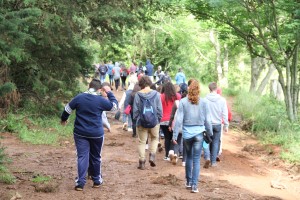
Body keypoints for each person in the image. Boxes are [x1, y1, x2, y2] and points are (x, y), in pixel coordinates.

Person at [60, 79, 118, 191]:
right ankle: (96, 180)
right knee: (96, 157)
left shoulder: (79, 97)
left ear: (89, 86)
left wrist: (63, 119)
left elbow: (67, 109)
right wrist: (109, 93)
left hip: (80, 132)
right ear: (100, 89)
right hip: (96, 133)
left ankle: (80, 183)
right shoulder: (101, 100)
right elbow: (115, 107)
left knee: (82, 156)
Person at [172, 79, 212, 193]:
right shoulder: (204, 102)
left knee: (188, 157)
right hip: (199, 134)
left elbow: (178, 120)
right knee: (196, 160)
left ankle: (188, 182)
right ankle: (195, 185)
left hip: (187, 135)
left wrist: (175, 135)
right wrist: (210, 134)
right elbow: (208, 121)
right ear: (199, 90)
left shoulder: (183, 102)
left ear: (189, 89)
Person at [133, 76, 162, 169]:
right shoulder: (156, 94)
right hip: (154, 121)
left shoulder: (138, 94)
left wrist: (136, 119)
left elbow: (136, 110)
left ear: (141, 84)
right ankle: (152, 155)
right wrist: (158, 119)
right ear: (149, 83)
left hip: (141, 122)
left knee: (142, 142)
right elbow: (159, 109)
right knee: (155, 138)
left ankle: (142, 162)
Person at [206, 82, 229, 167]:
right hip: (217, 124)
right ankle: (213, 162)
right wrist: (226, 125)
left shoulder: (205, 99)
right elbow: (225, 113)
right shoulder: (222, 100)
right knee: (215, 142)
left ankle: (207, 157)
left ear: (209, 89)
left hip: (207, 124)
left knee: (206, 141)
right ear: (216, 89)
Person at [160, 82, 181, 162]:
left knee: (167, 137)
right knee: (174, 137)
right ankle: (172, 152)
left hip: (163, 120)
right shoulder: (177, 96)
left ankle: (167, 156)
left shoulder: (161, 96)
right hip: (174, 120)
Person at [169, 83, 188, 166]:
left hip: (177, 125)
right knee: (185, 143)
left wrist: (170, 124)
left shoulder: (177, 103)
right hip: (186, 127)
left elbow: (172, 115)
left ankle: (176, 154)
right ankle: (184, 161)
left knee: (176, 140)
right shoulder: (189, 104)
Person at [216, 87, 232, 161]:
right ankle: (218, 151)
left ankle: (209, 152)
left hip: (210, 122)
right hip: (220, 122)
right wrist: (227, 121)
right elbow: (227, 112)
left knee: (209, 137)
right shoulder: (223, 100)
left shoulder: (208, 99)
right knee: (219, 138)